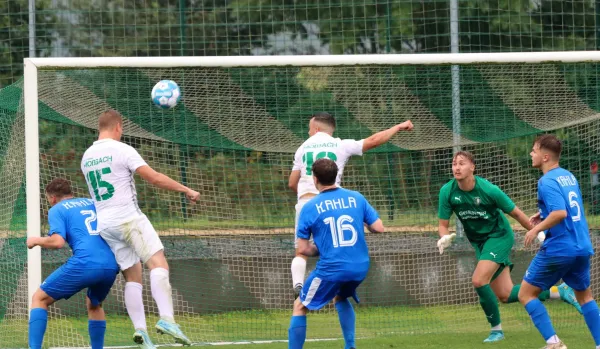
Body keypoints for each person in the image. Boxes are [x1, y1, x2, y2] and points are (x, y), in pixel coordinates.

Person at [81, 110, 200, 348]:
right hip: (128, 218)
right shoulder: (121, 149)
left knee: (132, 275)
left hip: (106, 224)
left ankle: (141, 331)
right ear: (118, 127)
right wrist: (186, 190)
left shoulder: (87, 156)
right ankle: (167, 319)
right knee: (158, 264)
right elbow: (153, 177)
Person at [437, 150, 581, 343]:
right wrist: (444, 237)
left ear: (473, 167)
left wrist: (538, 232)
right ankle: (559, 292)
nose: (457, 167)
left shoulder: (489, 190)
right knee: (505, 294)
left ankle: (496, 330)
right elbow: (442, 224)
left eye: (462, 163)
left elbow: (518, 215)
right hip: (479, 242)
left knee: (479, 280)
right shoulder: (447, 191)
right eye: (454, 163)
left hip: (499, 236)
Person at [288, 111, 413, 297]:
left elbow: (292, 183)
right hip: (332, 202)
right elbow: (374, 140)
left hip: (306, 203)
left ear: (315, 129)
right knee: (336, 248)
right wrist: (396, 127)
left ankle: (298, 284)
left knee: (301, 251)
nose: (308, 133)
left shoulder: (302, 148)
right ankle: (340, 287)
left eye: (308, 129)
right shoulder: (340, 144)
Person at [288, 158, 384, 349]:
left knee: (300, 305)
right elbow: (379, 228)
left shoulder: (309, 207)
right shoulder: (356, 197)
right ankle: (350, 346)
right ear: (336, 176)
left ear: (315, 179)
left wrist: (322, 247)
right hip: (360, 266)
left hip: (333, 268)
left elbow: (303, 249)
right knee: (340, 296)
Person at [518, 134, 600, 349]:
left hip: (560, 248)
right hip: (582, 245)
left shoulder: (546, 181)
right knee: (585, 297)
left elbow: (561, 213)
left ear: (545, 157)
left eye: (534, 150)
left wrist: (536, 228)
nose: (531, 153)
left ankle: (554, 343)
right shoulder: (568, 176)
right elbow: (570, 209)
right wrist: (543, 214)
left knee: (526, 294)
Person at [27, 178, 119, 349]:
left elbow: (57, 242)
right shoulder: (93, 203)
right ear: (71, 193)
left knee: (39, 299)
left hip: (85, 263)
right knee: (94, 303)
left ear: (52, 198)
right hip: (111, 264)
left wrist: (35, 240)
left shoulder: (57, 209)